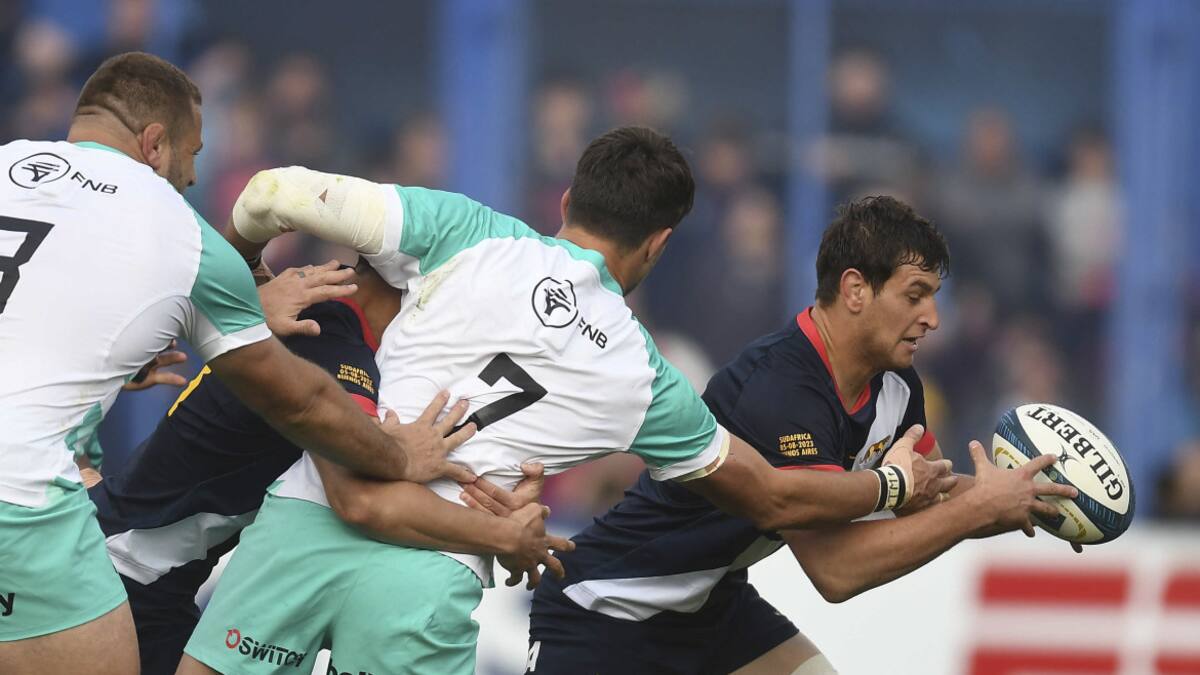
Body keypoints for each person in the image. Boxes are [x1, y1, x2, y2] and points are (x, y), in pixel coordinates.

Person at [177, 127, 955, 675]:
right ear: (659, 242)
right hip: (427, 567)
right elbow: (771, 493)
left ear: (570, 198)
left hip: (306, 518)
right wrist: (892, 485)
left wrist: (243, 274)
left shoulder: (469, 231)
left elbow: (274, 192)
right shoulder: (644, 377)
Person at [0, 52, 469, 675]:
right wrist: (406, 456)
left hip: (112, 542)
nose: (194, 178)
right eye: (194, 154)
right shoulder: (185, 237)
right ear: (155, 143)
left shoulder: (8, 160)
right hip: (48, 516)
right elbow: (304, 405)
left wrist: (117, 351)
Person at [524, 196, 1079, 675]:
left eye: (935, 295)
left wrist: (1025, 498)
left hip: (712, 607)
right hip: (605, 609)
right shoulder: (779, 387)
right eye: (915, 295)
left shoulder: (899, 387)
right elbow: (837, 570)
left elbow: (926, 494)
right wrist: (980, 510)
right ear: (856, 289)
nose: (933, 316)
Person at [87, 259, 567, 675]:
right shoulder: (331, 336)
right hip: (126, 578)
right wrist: (503, 535)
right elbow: (354, 494)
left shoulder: (317, 321)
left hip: (134, 569)